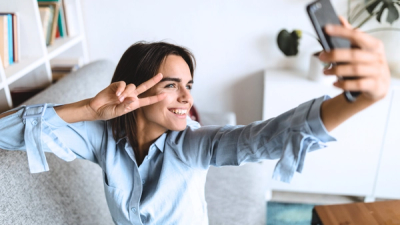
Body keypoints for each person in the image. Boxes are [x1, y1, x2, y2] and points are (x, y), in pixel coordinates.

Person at [0, 17, 390, 225]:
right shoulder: (102, 139)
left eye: (189, 85)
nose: (188, 97)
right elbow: (7, 134)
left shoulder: (191, 146)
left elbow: (265, 138)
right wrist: (87, 108)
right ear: (133, 89)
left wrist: (360, 99)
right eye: (172, 85)